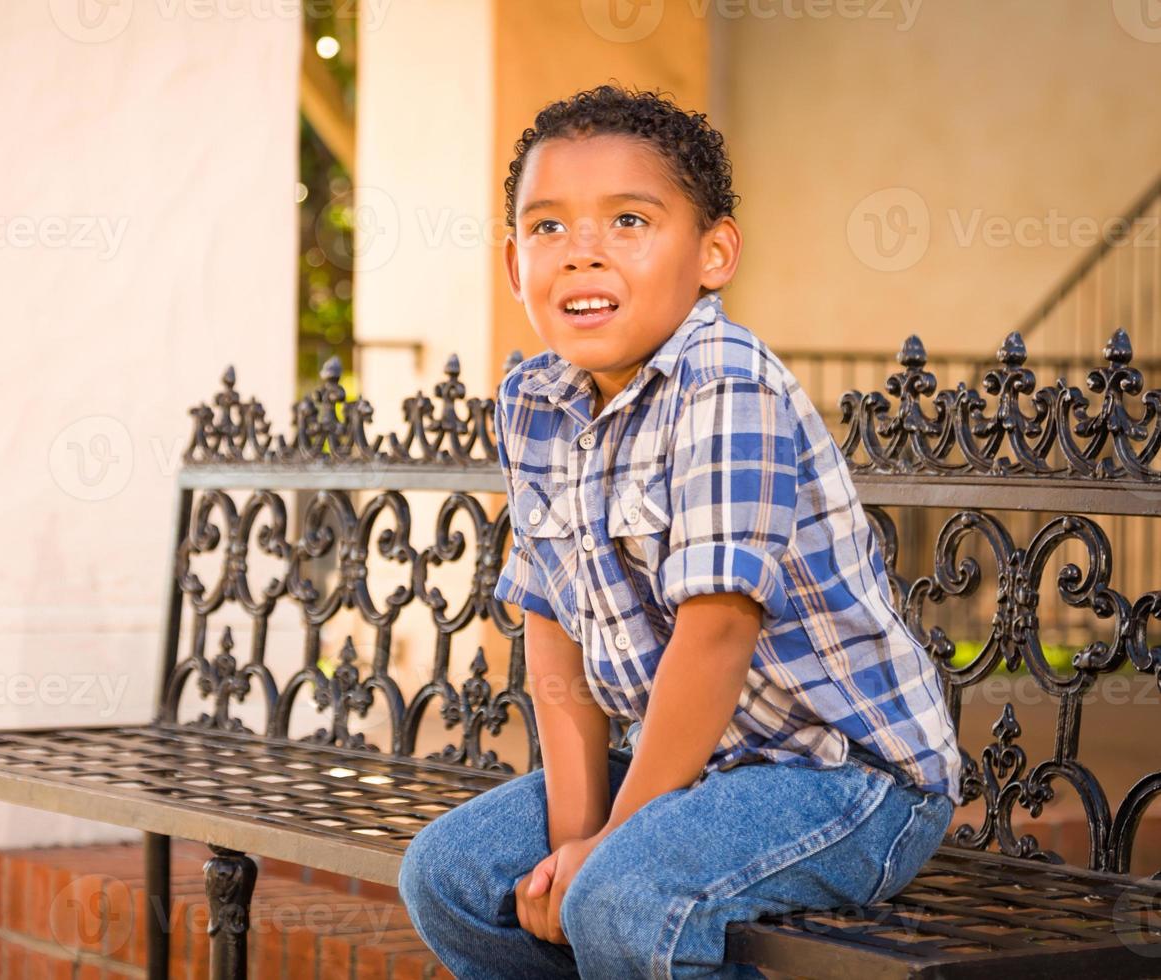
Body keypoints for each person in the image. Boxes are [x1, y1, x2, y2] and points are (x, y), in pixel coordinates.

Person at [397, 82, 963, 979]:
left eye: (628, 221)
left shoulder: (725, 385)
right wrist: (579, 839)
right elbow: (552, 633)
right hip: (687, 773)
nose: (583, 253)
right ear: (513, 265)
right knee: (451, 877)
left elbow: (717, 633)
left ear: (713, 252)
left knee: (626, 897)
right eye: (549, 228)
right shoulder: (532, 401)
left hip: (844, 783)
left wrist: (612, 851)